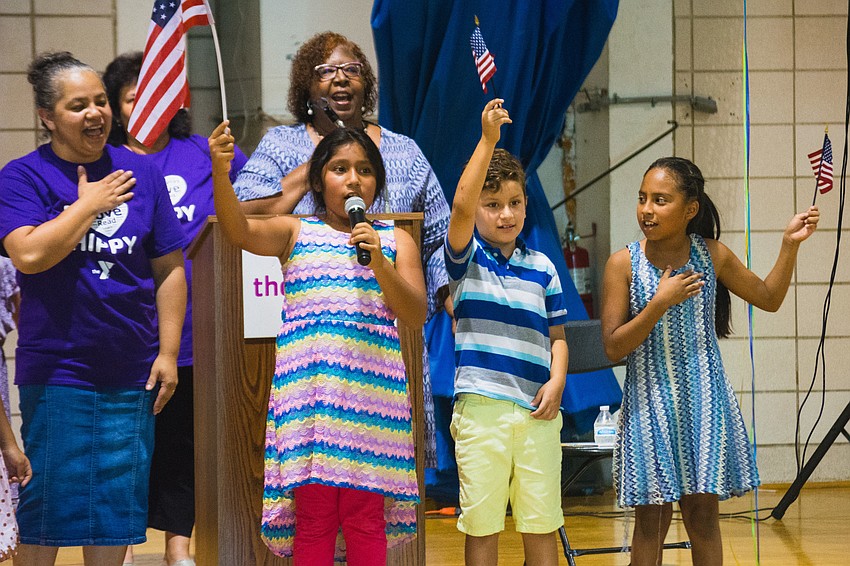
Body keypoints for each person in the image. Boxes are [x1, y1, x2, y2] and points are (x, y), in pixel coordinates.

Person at [0, 51, 187, 566]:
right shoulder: (22, 177)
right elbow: (30, 254)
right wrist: (86, 205)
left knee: (114, 507)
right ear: (47, 115)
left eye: (101, 101)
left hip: (132, 369)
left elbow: (169, 268)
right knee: (46, 504)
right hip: (58, 368)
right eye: (78, 105)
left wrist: (167, 352)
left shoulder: (141, 173)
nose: (95, 113)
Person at [233, 31, 451, 467]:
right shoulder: (282, 145)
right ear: (307, 88)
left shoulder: (404, 151)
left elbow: (438, 239)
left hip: (389, 340)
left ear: (365, 83)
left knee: (382, 473)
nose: (340, 80)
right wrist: (317, 160)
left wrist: (449, 301)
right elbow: (243, 208)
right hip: (312, 338)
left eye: (351, 70)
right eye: (326, 72)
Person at [211, 121, 424, 564]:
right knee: (315, 516)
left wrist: (381, 263)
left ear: (377, 182)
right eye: (340, 168)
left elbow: (416, 312)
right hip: (310, 401)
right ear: (318, 179)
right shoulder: (295, 232)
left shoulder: (394, 239)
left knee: (365, 517)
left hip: (372, 403)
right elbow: (237, 231)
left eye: (365, 170)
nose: (353, 179)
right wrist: (219, 169)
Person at [600, 157, 820, 566]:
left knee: (702, 518)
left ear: (690, 209)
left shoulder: (712, 255)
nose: (647, 209)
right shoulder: (623, 263)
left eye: (660, 200)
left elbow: (769, 298)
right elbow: (614, 348)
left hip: (703, 403)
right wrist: (658, 304)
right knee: (651, 521)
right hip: (650, 406)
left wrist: (789, 245)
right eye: (642, 198)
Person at [103, 51, 248, 566]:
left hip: (194, 335)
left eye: (158, 95)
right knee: (124, 448)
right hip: (123, 333)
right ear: (118, 109)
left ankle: (178, 549)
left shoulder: (202, 153)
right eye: (132, 98)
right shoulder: (107, 164)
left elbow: (252, 209)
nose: (146, 106)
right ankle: (112, 546)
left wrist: (226, 165)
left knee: (182, 448)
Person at [445, 99, 568, 566]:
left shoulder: (542, 268)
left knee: (541, 525)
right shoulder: (465, 261)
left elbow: (557, 336)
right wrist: (488, 140)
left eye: (514, 203)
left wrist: (556, 382)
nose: (505, 214)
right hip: (482, 414)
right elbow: (459, 204)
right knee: (483, 527)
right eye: (492, 204)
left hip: (537, 415)